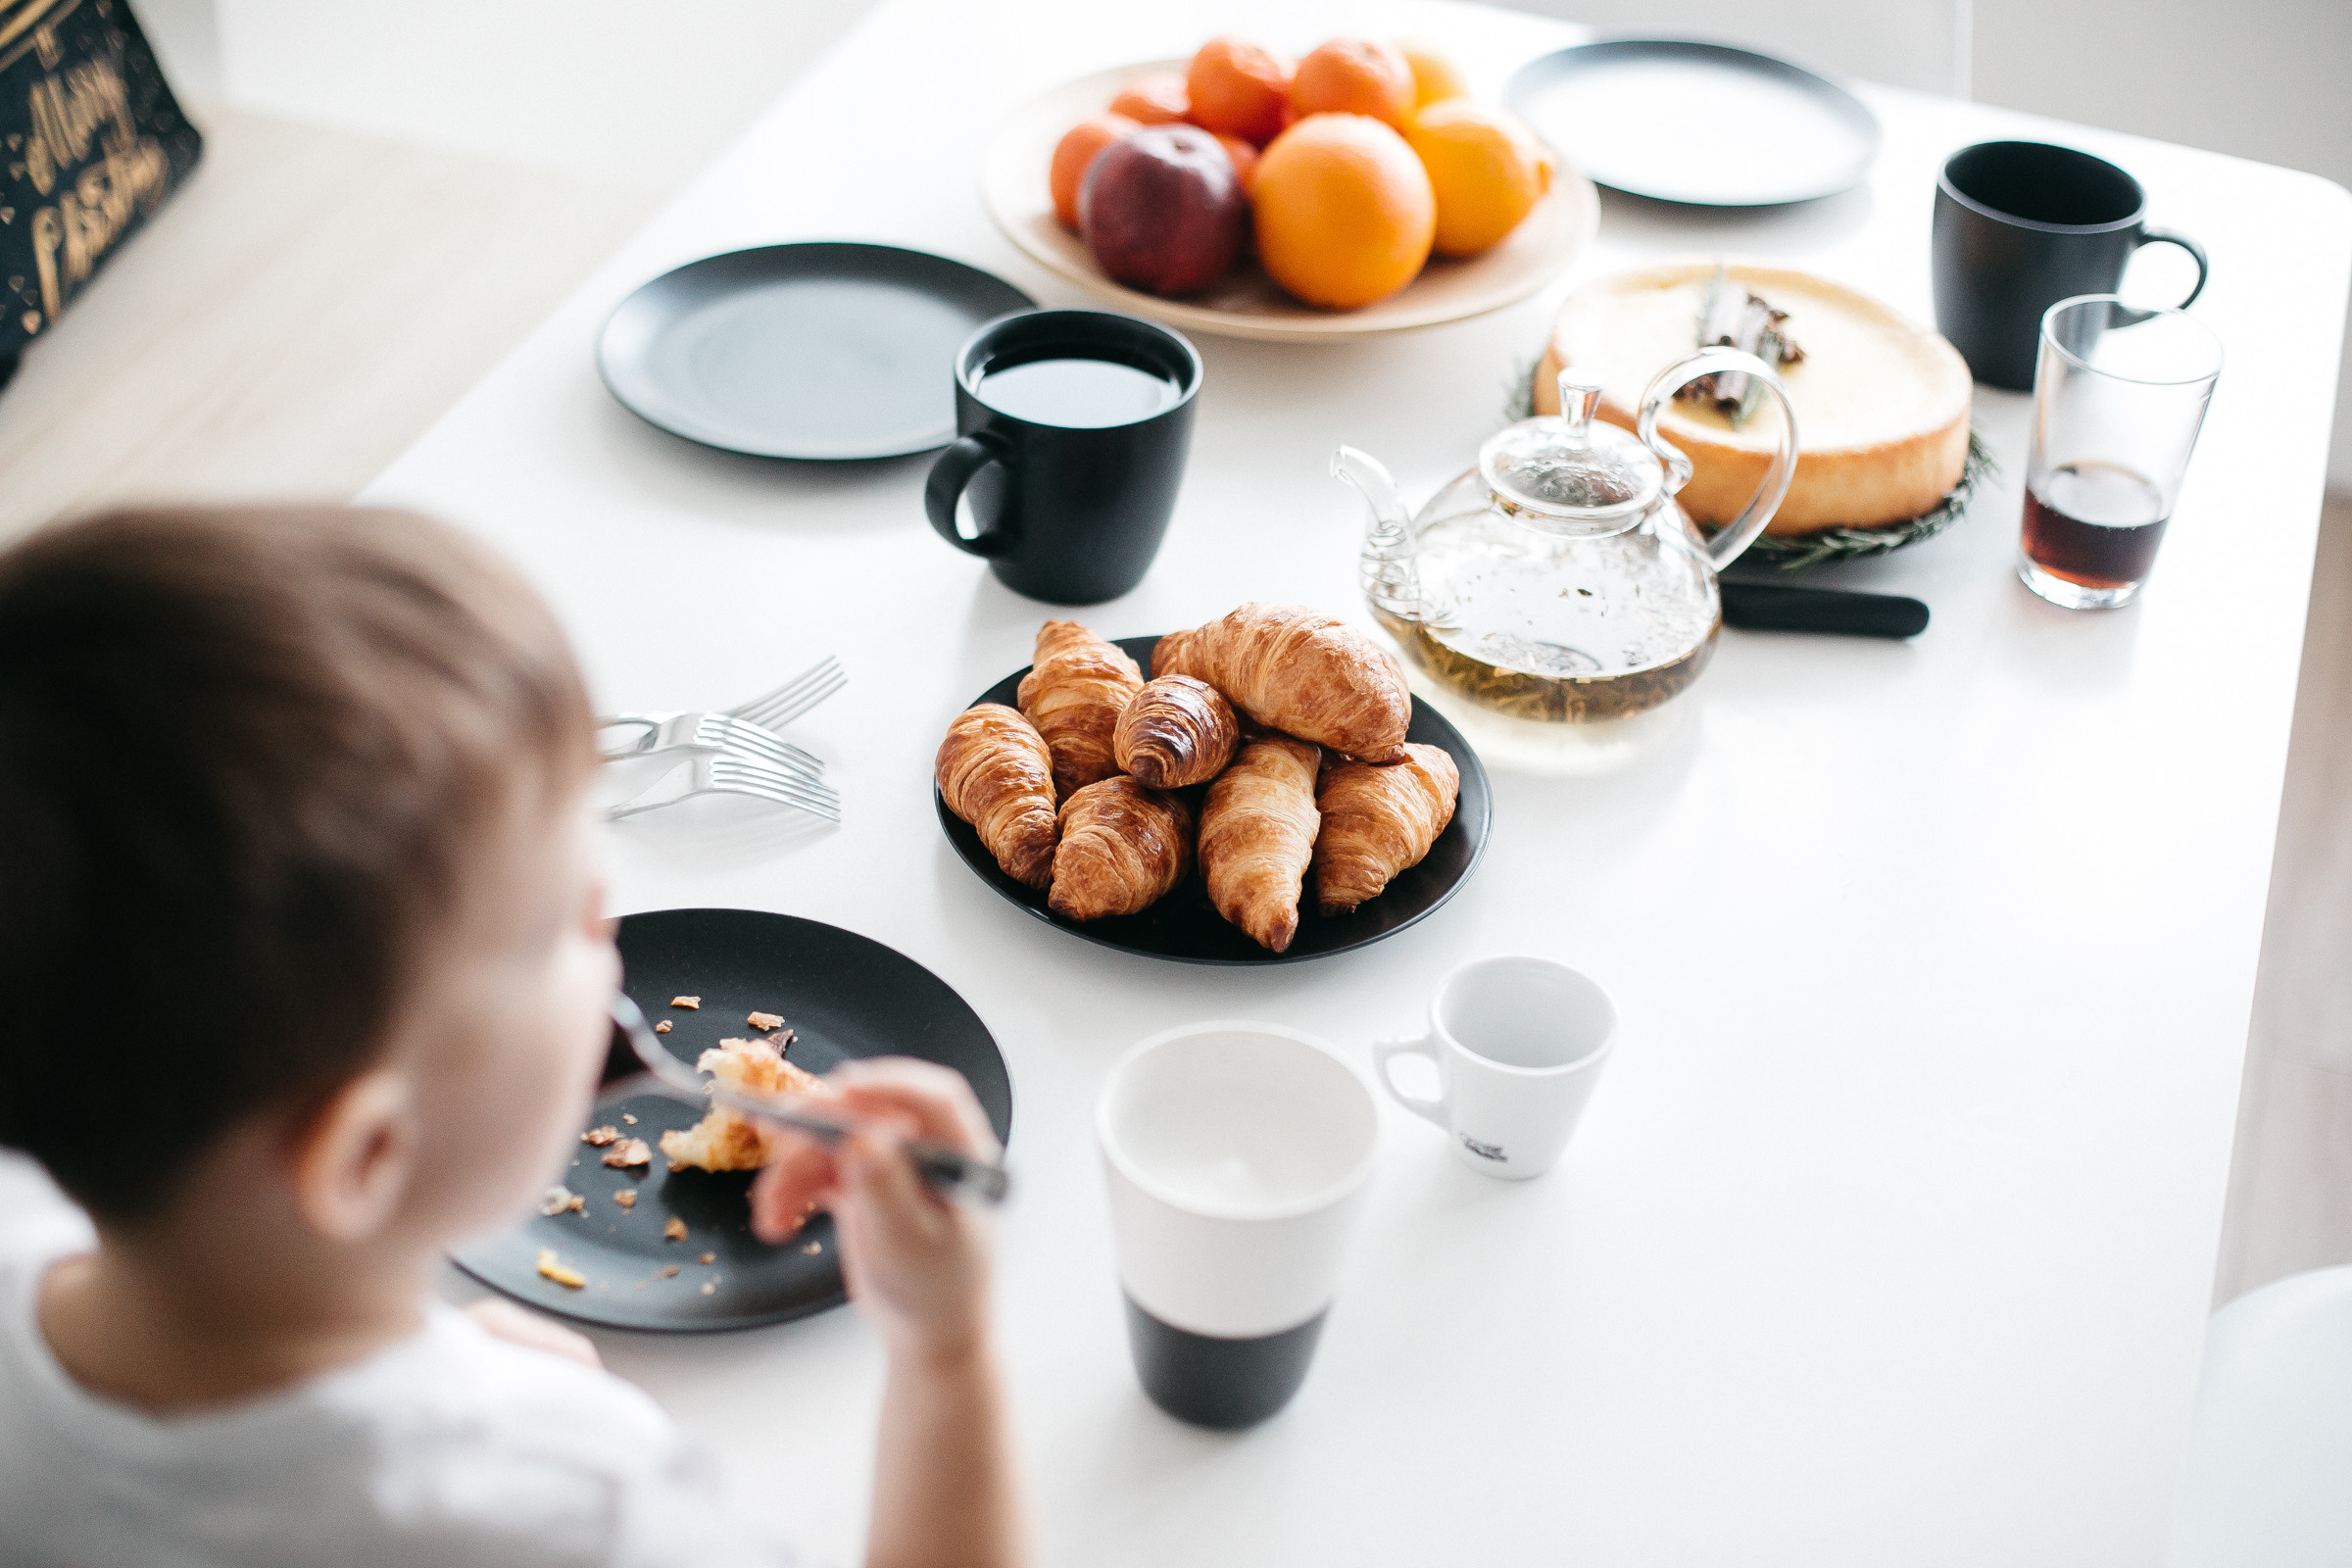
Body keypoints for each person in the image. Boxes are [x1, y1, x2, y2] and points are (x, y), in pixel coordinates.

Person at [0, 504, 1030, 1568]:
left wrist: (448, 1370)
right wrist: (946, 1358)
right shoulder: (578, 1514)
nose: (609, 920)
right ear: (367, 1155)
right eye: (556, 928)